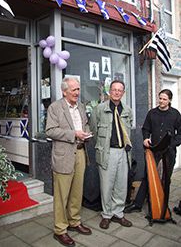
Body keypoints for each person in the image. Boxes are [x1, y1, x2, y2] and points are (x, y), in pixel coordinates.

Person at [46, 77, 92, 247]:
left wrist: (86, 133)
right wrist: (74, 134)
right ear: (64, 91)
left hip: (80, 153)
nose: (77, 93)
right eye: (74, 90)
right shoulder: (55, 107)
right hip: (63, 155)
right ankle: (60, 230)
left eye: (78, 89)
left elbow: (84, 125)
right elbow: (50, 131)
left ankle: (74, 221)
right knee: (61, 195)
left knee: (76, 192)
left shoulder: (81, 106)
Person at [125, 89, 181, 214]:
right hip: (154, 149)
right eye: (160, 98)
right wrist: (145, 138)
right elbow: (145, 129)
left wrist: (172, 144)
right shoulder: (152, 113)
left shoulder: (175, 114)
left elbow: (180, 133)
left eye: (164, 99)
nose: (161, 101)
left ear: (169, 100)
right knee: (147, 175)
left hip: (169, 150)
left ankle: (163, 205)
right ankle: (137, 204)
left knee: (167, 178)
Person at [90, 80, 133, 229]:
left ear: (123, 93)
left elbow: (129, 131)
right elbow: (94, 130)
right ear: (110, 91)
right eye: (114, 89)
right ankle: (107, 215)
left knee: (121, 185)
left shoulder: (127, 110)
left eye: (119, 90)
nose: (116, 92)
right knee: (107, 185)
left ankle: (118, 213)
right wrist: (103, 146)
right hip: (107, 152)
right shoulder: (99, 109)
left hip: (123, 152)